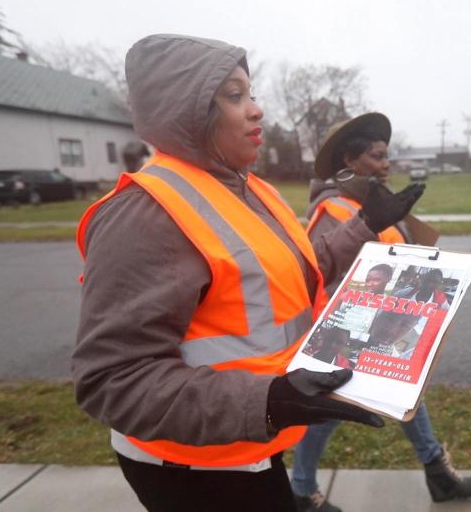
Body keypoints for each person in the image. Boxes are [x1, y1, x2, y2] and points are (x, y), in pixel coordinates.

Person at [71, 34, 420, 511]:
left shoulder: (250, 189)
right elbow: (112, 379)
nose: (256, 110)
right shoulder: (144, 213)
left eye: (251, 94)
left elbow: (292, 274)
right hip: (191, 468)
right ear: (183, 108)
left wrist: (365, 226)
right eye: (234, 96)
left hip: (251, 439)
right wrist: (267, 401)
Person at [292, 112, 471, 511]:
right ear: (350, 160)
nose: (386, 164)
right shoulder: (334, 211)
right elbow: (319, 275)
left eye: (386, 156)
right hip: (347, 332)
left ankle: (436, 472)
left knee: (407, 395)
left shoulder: (373, 204)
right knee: (328, 412)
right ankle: (300, 487)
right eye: (377, 156)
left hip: (386, 323)